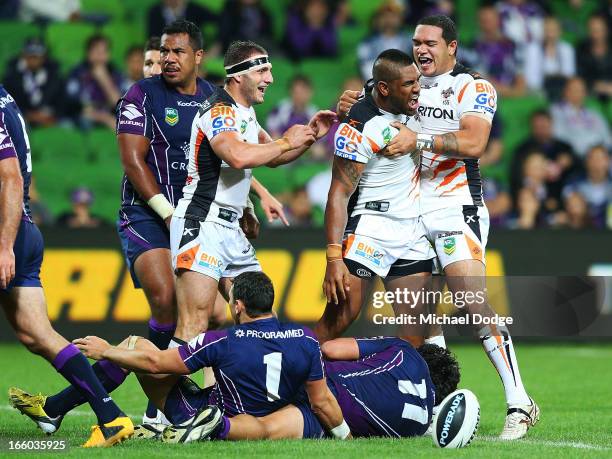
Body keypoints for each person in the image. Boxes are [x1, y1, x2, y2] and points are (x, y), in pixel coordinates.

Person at [340, 15, 538, 439]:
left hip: (454, 205)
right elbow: (370, 105)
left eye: (430, 42)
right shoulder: (409, 82)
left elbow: (474, 143)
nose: (421, 49)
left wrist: (422, 141)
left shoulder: (474, 87)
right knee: (421, 315)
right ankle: (435, 407)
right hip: (410, 210)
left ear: (452, 46)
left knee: (469, 298)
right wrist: (354, 104)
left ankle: (519, 402)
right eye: (416, 42)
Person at [115, 21, 286, 431]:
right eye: (163, 51)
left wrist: (252, 197)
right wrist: (167, 212)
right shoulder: (142, 94)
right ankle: (160, 403)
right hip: (155, 210)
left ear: (198, 57)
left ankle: (207, 401)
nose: (167, 60)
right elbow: (133, 161)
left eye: (176, 52)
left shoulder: (216, 96)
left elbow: (232, 155)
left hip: (205, 209)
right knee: (168, 303)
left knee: (228, 316)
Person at [20, 272, 351, 442]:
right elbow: (321, 401)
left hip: (209, 416)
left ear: (238, 307)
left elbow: (155, 364)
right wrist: (344, 437)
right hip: (275, 419)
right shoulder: (305, 339)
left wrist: (107, 350)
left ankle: (58, 409)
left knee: (136, 345)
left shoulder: (222, 339)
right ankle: (53, 409)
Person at [169, 40, 336, 350]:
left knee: (261, 319)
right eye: (262, 71)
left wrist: (309, 137)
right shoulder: (220, 111)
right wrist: (287, 141)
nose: (270, 79)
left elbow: (270, 157)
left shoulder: (245, 113)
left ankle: (244, 396)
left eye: (270, 70)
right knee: (194, 325)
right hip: (201, 223)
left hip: (231, 229)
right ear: (238, 76)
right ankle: (147, 384)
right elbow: (239, 156)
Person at [1, 85, 133, 447]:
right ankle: (111, 417)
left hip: (5, 231)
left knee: (37, 334)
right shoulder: (5, 98)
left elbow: (9, 176)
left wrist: (3, 247)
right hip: (22, 229)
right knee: (36, 335)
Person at [315, 49, 435, 345]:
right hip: (370, 229)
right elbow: (339, 194)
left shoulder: (413, 102)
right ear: (385, 88)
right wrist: (333, 258)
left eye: (417, 81)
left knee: (414, 337)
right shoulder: (359, 125)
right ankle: (286, 382)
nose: (417, 89)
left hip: (411, 232)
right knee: (339, 319)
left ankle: (402, 391)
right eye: (408, 84)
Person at [65, 34, 126, 130]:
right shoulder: (77, 72)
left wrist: (104, 80)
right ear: (88, 53)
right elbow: (73, 106)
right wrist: (104, 118)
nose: (100, 56)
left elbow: (121, 106)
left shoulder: (115, 72)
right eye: (96, 51)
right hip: (82, 119)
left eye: (104, 52)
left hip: (109, 117)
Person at [3, 37, 65, 127]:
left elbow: (61, 100)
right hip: (20, 116)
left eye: (37, 56)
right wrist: (29, 115)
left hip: (48, 116)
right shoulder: (12, 74)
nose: (34, 60)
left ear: (44, 57)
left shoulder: (53, 73)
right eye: (31, 56)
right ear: (24, 55)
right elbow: (6, 100)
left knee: (66, 126)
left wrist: (54, 115)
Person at [551, 77, 611, 158]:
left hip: (599, 155)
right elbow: (559, 137)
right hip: (575, 156)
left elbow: (607, 138)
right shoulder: (556, 111)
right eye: (574, 89)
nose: (578, 93)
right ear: (565, 91)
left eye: (581, 90)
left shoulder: (593, 113)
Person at [356, 0, 411, 80]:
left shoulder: (410, 41)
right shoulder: (367, 43)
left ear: (401, 19)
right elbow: (366, 66)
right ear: (377, 20)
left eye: (393, 17)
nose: (389, 21)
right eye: (385, 16)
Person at [523, 16, 575, 100]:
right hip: (539, 91)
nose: (550, 34)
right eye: (548, 30)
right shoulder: (533, 49)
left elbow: (569, 75)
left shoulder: (567, 49)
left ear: (560, 32)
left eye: (554, 30)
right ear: (543, 31)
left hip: (562, 90)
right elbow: (531, 79)